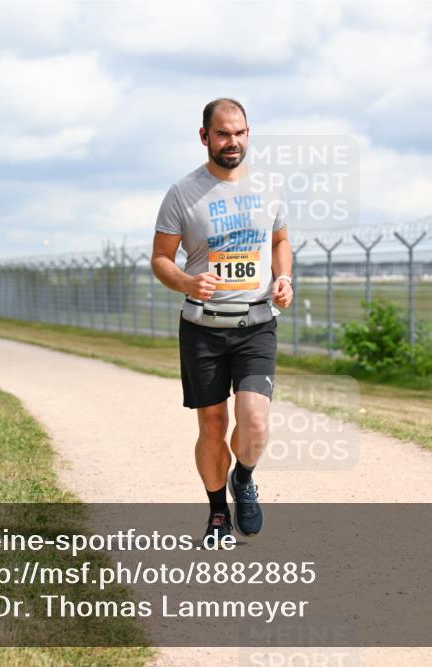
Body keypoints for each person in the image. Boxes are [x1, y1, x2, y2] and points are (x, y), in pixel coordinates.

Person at [150, 98, 293, 545]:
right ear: (204, 137)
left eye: (240, 133)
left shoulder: (269, 187)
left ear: (249, 133)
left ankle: (244, 479)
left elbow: (281, 240)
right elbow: (160, 259)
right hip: (202, 328)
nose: (233, 142)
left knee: (254, 422)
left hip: (256, 322)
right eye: (223, 134)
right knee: (212, 424)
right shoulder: (182, 193)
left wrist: (284, 276)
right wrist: (188, 283)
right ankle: (217, 516)